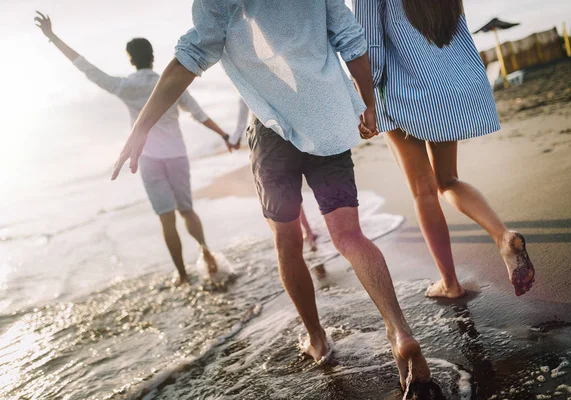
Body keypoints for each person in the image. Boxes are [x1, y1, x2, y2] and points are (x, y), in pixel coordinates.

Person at [111, 0, 430, 387]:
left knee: (286, 241)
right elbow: (353, 42)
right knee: (349, 235)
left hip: (271, 132)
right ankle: (399, 331)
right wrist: (368, 106)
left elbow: (188, 59)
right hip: (328, 121)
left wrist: (140, 127)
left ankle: (316, 338)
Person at [35, 12, 237, 286]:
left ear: (131, 59)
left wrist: (53, 37)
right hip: (177, 155)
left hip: (149, 160)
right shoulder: (170, 82)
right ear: (152, 57)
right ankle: (206, 253)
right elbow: (198, 114)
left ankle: (182, 275)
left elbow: (87, 68)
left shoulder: (124, 86)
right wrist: (225, 134)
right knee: (187, 211)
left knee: (166, 219)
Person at [353, 0, 535, 298]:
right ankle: (503, 236)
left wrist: (366, 101)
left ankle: (450, 283)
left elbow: (368, 43)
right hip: (451, 86)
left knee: (423, 192)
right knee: (448, 180)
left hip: (403, 92)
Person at [235, 99, 319, 252]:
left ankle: (303, 233)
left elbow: (243, 107)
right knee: (291, 191)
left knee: (285, 193)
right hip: (294, 128)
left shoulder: (246, 78)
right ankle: (307, 231)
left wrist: (234, 138)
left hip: (265, 138)